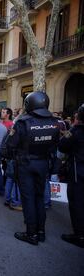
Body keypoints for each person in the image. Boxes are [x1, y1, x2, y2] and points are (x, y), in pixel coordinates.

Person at [5, 91, 60, 246]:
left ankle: (31, 234)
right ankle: (41, 232)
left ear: (29, 104)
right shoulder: (55, 122)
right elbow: (56, 145)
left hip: (26, 165)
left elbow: (11, 144)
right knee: (39, 198)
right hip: (44, 164)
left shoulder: (23, 122)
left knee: (28, 199)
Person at [58, 103, 84, 248]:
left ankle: (79, 235)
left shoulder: (77, 131)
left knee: (77, 203)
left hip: (78, 172)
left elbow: (62, 145)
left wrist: (75, 126)